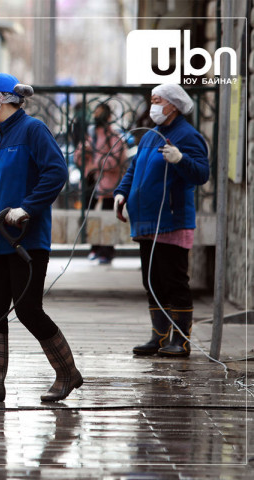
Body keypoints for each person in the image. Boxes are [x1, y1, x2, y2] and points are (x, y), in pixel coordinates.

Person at [0, 73, 83, 403]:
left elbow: (55, 173)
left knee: (27, 309)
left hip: (25, 240)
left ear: (0, 98)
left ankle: (67, 372)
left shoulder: (33, 131)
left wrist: (26, 207)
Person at [114, 84, 209, 358]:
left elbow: (201, 173)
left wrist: (180, 159)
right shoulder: (150, 136)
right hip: (146, 223)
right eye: (152, 100)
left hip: (171, 221)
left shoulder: (188, 136)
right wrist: (122, 193)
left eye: (158, 100)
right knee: (152, 281)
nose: (153, 105)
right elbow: (134, 169)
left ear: (174, 106)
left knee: (173, 281)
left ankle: (180, 340)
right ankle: (159, 336)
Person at [74, 102, 128, 264]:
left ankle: (107, 250)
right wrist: (84, 153)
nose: (98, 117)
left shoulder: (114, 136)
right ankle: (95, 247)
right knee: (91, 215)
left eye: (101, 113)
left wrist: (97, 163)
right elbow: (79, 157)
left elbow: (118, 158)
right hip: (91, 182)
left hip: (109, 185)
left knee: (107, 217)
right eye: (96, 113)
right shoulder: (91, 135)